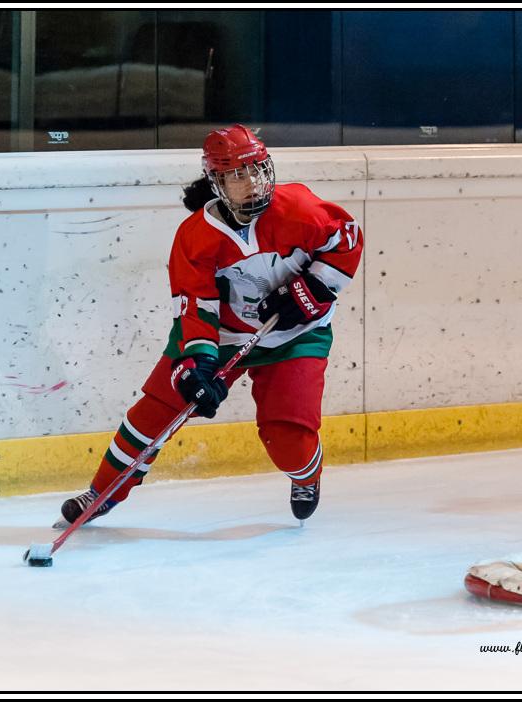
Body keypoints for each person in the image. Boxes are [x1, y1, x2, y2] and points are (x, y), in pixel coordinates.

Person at [59, 124, 363, 525]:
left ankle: (306, 476)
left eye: (256, 170)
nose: (251, 183)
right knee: (155, 413)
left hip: (295, 335)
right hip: (220, 334)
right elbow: (196, 307)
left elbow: (347, 239)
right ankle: (102, 493)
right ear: (216, 180)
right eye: (237, 175)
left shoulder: (299, 209)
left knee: (287, 437)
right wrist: (196, 366)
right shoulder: (195, 237)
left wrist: (309, 292)